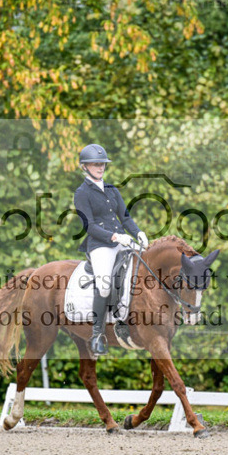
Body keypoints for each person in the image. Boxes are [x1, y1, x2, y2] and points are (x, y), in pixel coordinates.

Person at [73, 144, 148, 356]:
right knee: (105, 284)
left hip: (122, 241)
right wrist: (115, 237)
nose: (100, 167)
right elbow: (89, 226)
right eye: (96, 164)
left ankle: (123, 320)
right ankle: (97, 333)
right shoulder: (82, 193)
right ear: (84, 167)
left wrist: (138, 233)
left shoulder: (112, 190)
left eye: (102, 164)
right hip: (100, 245)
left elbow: (124, 217)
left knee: (137, 274)